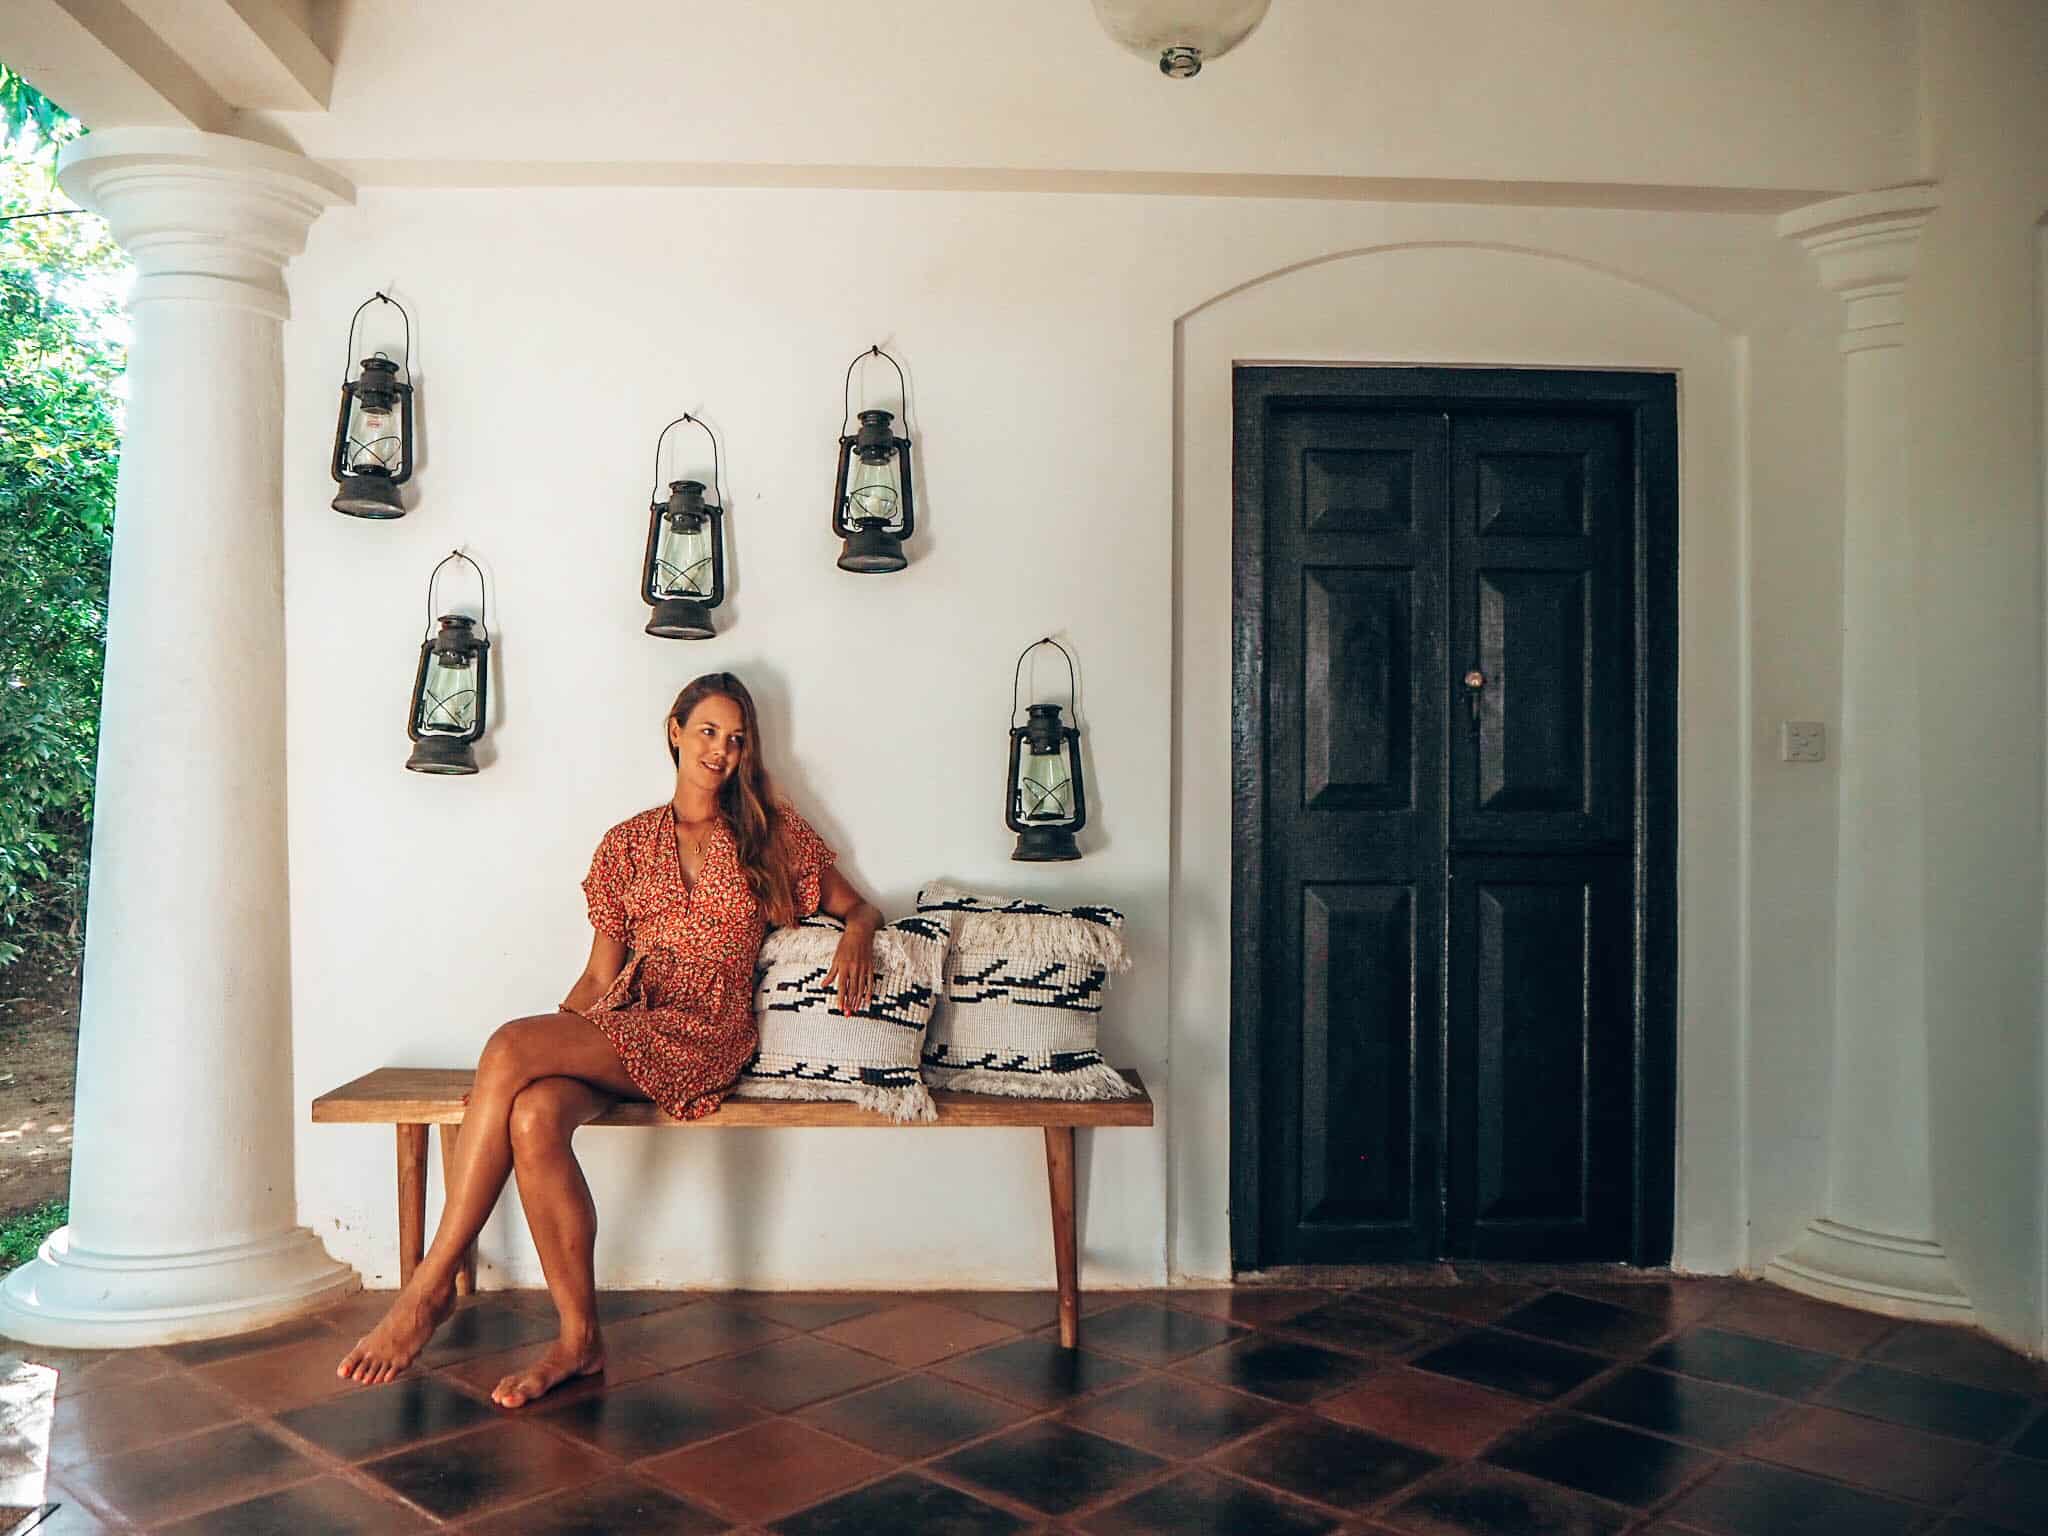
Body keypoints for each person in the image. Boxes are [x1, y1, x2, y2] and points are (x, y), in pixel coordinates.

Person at [336, 672, 881, 1406]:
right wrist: (509, 1079)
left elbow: (859, 907)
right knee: (531, 1111)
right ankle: (579, 1342)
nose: (721, 750)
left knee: (508, 1048)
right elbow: (600, 977)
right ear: (675, 731)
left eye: (736, 739)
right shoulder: (626, 844)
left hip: (705, 1031)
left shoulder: (769, 833)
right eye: (708, 731)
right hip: (627, 1020)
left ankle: (429, 1290)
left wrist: (857, 936)